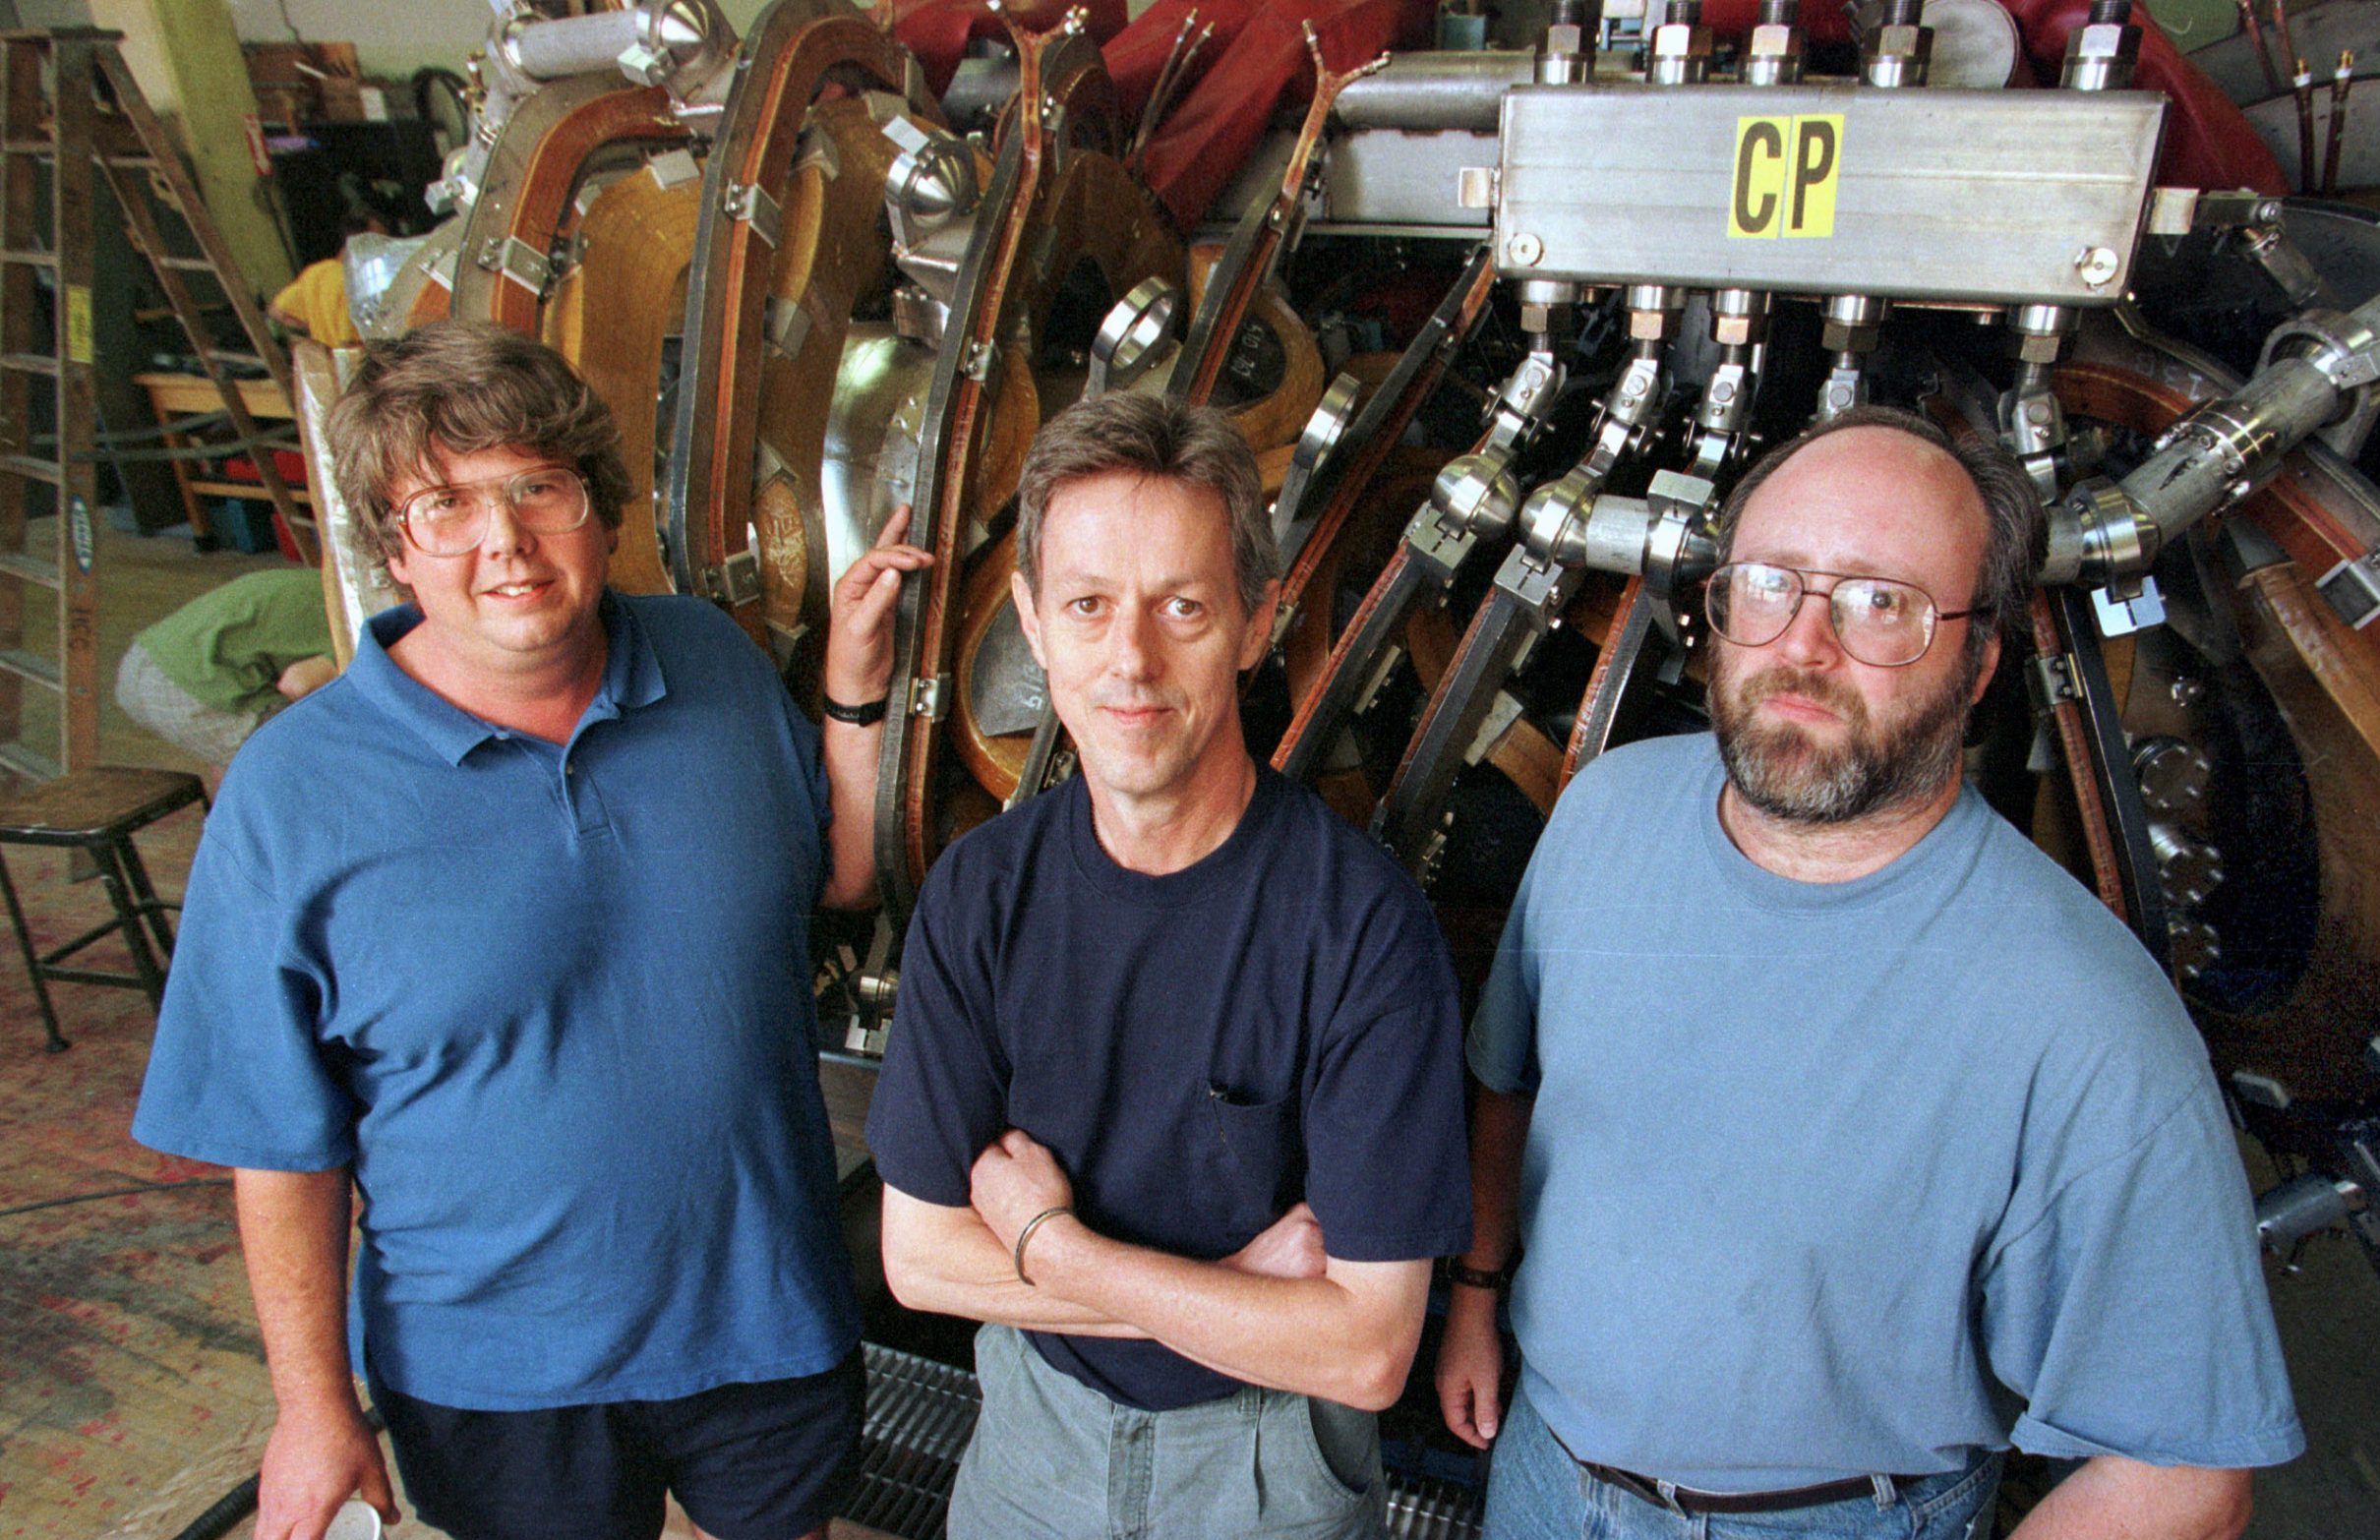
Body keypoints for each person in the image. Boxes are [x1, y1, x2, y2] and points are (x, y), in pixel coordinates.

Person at [1435, 405, 2303, 1540]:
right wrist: (1476, 1292)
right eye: (1769, 584)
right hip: (1542, 1480)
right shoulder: (1604, 812)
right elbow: (1513, 1080)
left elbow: (2179, 1473)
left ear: (1979, 661)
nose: (1803, 647)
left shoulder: (2083, 1021)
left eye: (1878, 603)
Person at [132, 321, 930, 1540]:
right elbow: (278, 1143)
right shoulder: (292, 794)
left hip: (761, 1315)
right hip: (490, 1374)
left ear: (598, 508)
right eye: (442, 504)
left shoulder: (710, 664)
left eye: (534, 488)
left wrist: (853, 684)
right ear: (393, 545)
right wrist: (311, 1408)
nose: (500, 541)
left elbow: (836, 877)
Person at [865, 391, 1472, 1540]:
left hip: (1263, 1470)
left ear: (1255, 622)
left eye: (1180, 608)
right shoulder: (982, 892)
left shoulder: (1360, 926)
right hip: (1030, 1451)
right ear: (1033, 628)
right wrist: (1238, 1287)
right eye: (1087, 607)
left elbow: (1364, 1349)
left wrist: (1055, 1250)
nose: (1129, 661)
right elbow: (920, 1259)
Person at [115, 566, 336, 793]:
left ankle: (233, 818)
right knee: (313, 761)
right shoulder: (355, 628)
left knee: (245, 750)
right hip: (184, 689)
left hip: (145, 659)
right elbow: (298, 684)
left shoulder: (327, 584)